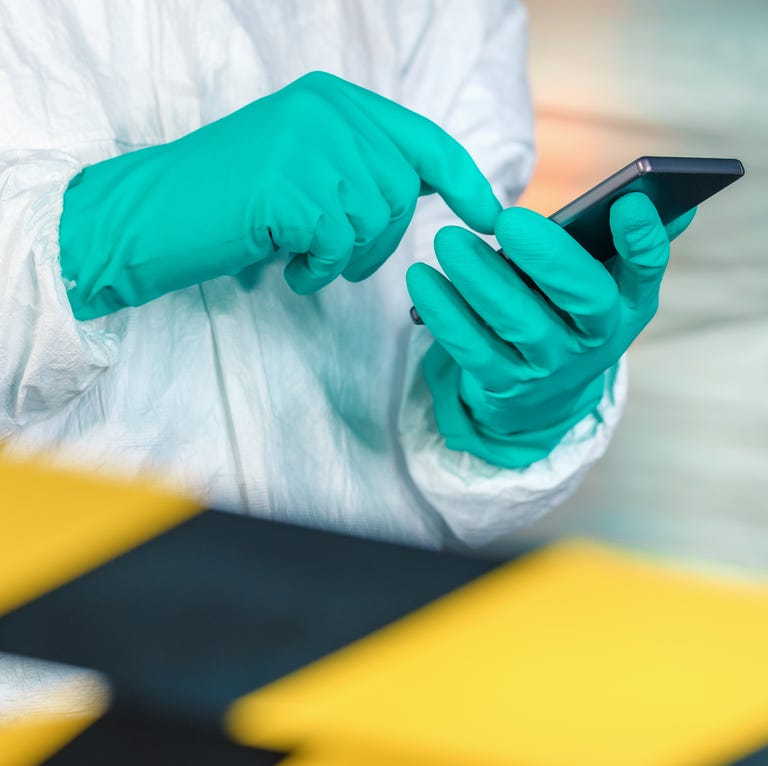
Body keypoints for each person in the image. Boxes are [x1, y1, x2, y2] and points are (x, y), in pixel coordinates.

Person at [0, 0, 692, 549]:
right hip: (46, 682)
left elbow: (424, 478)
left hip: (358, 664)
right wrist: (100, 235)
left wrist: (510, 412)